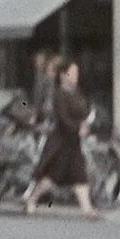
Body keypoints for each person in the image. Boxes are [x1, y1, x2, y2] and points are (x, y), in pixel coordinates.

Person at [24, 58, 99, 218]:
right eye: (73, 73)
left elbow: (84, 110)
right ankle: (32, 199)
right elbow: (63, 118)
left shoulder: (77, 92)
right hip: (62, 141)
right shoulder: (59, 94)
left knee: (80, 175)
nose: (76, 76)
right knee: (53, 177)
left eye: (77, 73)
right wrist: (77, 127)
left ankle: (87, 209)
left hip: (75, 141)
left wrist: (85, 124)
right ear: (64, 75)